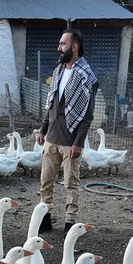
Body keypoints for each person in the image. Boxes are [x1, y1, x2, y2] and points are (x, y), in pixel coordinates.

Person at [36, 29, 98, 233]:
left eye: (63, 44)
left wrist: (78, 142)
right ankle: (45, 219)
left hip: (70, 142)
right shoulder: (58, 72)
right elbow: (51, 105)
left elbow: (87, 114)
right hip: (51, 138)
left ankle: (70, 223)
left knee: (71, 184)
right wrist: (43, 130)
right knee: (46, 182)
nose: (59, 48)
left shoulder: (87, 77)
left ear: (74, 46)